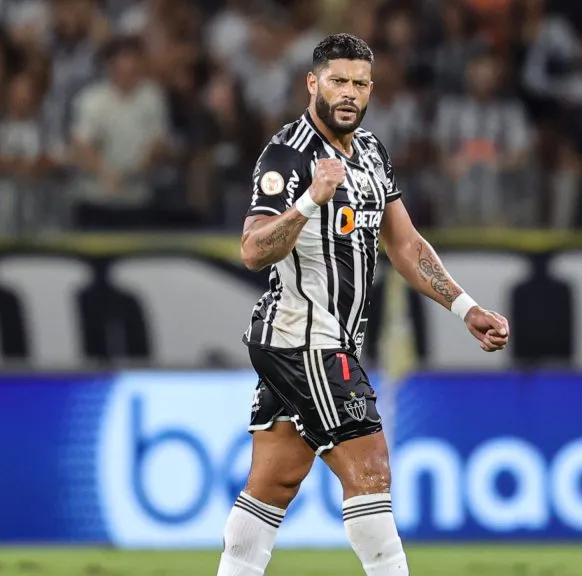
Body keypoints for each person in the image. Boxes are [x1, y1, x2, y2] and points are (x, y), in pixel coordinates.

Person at [218, 34, 511, 576]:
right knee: (371, 469)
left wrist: (465, 307)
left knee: (273, 483)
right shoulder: (288, 154)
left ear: (371, 89)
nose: (349, 93)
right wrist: (309, 201)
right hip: (306, 338)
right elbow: (253, 251)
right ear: (313, 83)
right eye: (337, 81)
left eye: (359, 83)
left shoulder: (372, 152)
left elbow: (405, 245)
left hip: (322, 339)